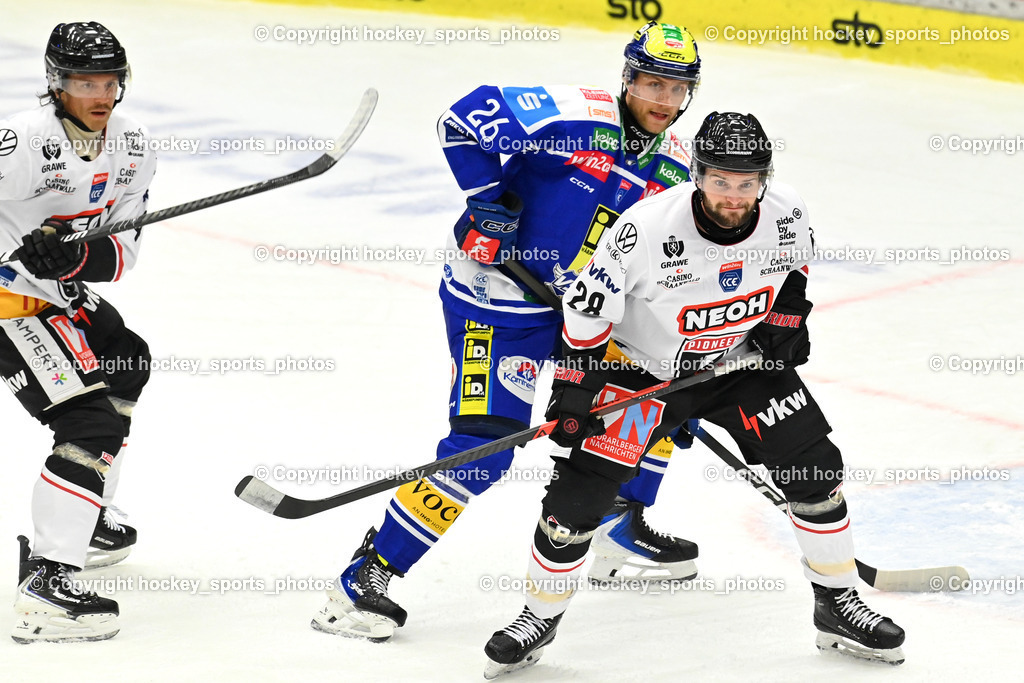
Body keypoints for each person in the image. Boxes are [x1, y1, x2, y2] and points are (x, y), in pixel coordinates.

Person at [313, 22, 705, 642]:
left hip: (579, 310)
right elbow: (461, 119)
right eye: (653, 83)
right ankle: (364, 579)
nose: (664, 99)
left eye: (677, 89)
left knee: (659, 397)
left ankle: (617, 522)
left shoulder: (678, 168)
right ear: (628, 79)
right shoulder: (574, 113)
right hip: (495, 299)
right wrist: (486, 202)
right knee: (484, 447)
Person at [482, 111, 906, 678]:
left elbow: (794, 268)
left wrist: (786, 317)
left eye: (747, 182)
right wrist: (576, 387)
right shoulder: (646, 229)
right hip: (642, 374)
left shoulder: (787, 212)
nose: (734, 196)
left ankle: (837, 605)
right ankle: (537, 617)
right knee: (576, 502)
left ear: (765, 179)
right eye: (720, 180)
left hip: (739, 364)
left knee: (816, 471)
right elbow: (586, 310)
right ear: (697, 174)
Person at [0, 21, 157, 643]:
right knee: (90, 424)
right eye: (85, 83)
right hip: (6, 301)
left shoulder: (133, 145)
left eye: (109, 81)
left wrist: (74, 257)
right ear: (57, 84)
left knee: (127, 358)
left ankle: (83, 514)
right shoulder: (21, 143)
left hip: (53, 294)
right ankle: (47, 583)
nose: (100, 95)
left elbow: (123, 252)